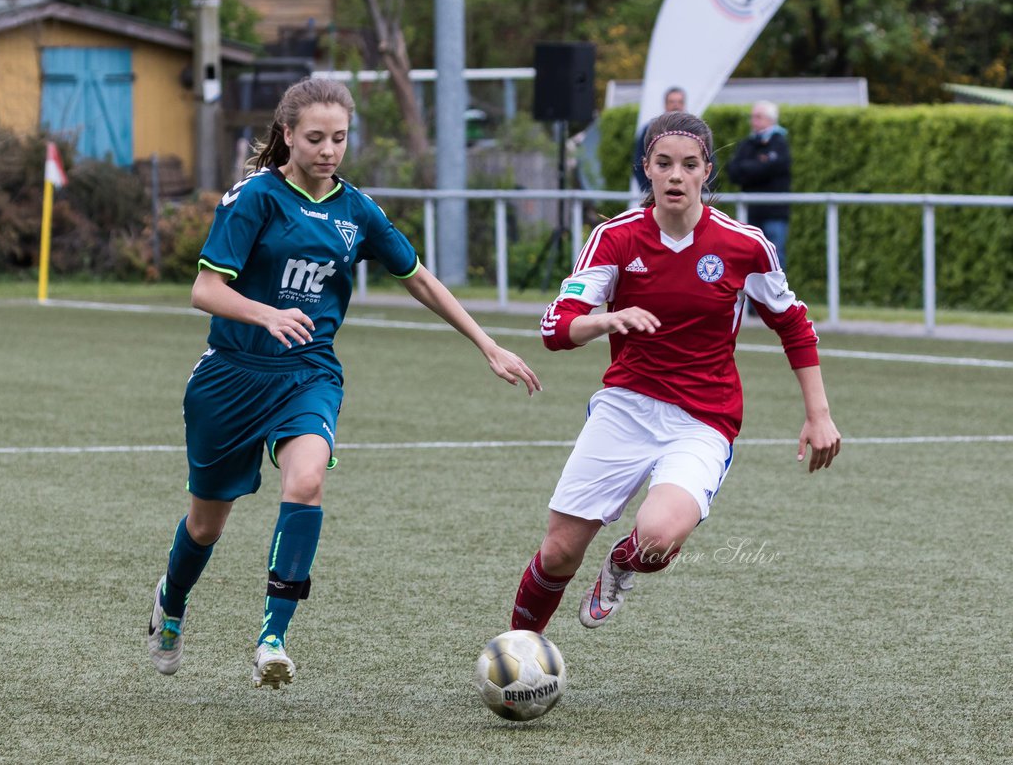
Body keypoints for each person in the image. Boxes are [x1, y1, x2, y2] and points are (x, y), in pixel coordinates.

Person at [148, 77, 542, 689]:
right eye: (315, 138)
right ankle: (171, 606)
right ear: (287, 135)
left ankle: (273, 637)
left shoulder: (356, 210)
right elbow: (205, 289)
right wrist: (266, 313)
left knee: (305, 482)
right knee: (207, 524)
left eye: (339, 137)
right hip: (230, 377)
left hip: (309, 372)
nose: (329, 149)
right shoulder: (254, 198)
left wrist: (487, 342)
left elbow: (418, 277)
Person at [508, 110, 840, 637]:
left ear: (707, 170)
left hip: (703, 420)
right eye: (664, 164)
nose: (676, 175)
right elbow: (555, 328)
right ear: (648, 170)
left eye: (689, 164)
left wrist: (818, 415)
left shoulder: (743, 245)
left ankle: (621, 563)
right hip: (625, 408)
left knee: (657, 538)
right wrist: (607, 318)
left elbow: (794, 324)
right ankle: (520, 652)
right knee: (558, 552)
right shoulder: (615, 238)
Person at [727, 101, 792, 268]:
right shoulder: (747, 144)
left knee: (776, 258)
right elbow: (733, 171)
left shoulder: (779, 143)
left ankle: (775, 294)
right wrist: (759, 166)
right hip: (750, 213)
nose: (753, 121)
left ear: (770, 120)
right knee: (748, 257)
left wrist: (748, 169)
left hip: (774, 213)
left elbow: (774, 168)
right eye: (753, 117)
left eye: (758, 117)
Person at [631, 86, 687, 192]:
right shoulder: (651, 129)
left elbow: (706, 161)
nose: (676, 105)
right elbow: (639, 162)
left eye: (680, 102)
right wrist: (649, 191)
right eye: (672, 102)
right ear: (665, 105)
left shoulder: (695, 131)